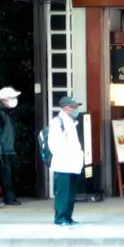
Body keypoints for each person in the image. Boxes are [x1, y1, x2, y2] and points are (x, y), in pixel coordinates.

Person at [48, 96, 85, 226]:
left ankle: (68, 217)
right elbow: (54, 144)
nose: (76, 109)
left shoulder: (71, 122)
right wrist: (66, 155)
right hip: (63, 164)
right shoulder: (57, 122)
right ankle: (60, 218)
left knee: (70, 193)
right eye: (74, 107)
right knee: (63, 193)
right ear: (67, 108)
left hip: (72, 164)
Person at [0, 87, 22, 206]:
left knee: (8, 175)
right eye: (12, 97)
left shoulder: (5, 111)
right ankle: (9, 198)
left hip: (7, 149)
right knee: (6, 176)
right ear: (4, 100)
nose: (14, 99)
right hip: (4, 151)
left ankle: (10, 197)